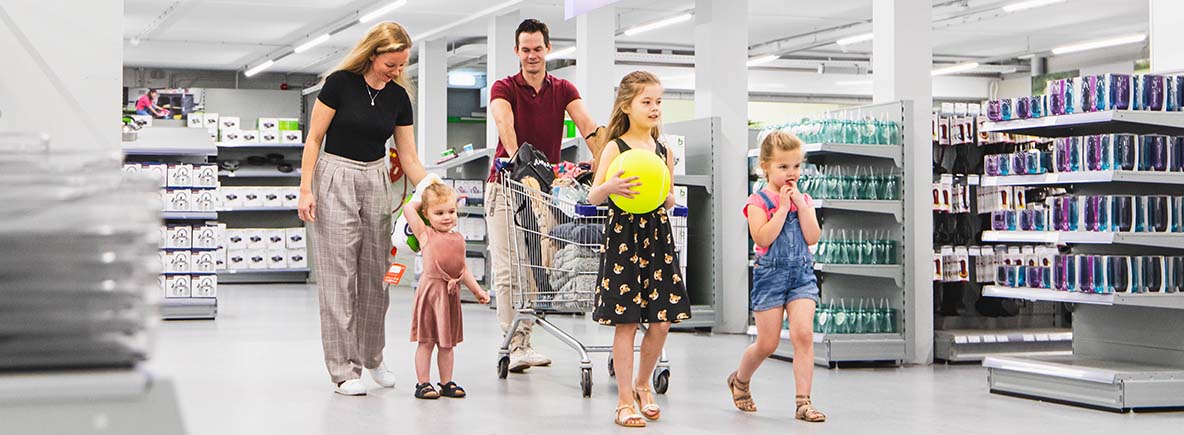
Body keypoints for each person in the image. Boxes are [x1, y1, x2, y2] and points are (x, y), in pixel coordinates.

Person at [297, 21, 428, 397]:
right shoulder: (340, 83)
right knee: (339, 277)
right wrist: (306, 189)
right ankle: (342, 370)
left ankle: (372, 355)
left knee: (378, 274)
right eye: (391, 64)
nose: (397, 71)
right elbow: (314, 139)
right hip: (335, 174)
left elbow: (409, 156)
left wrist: (433, 188)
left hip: (376, 179)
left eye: (403, 65)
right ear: (372, 53)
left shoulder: (399, 98)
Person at [486, 18, 605, 373]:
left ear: (548, 48)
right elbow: (504, 123)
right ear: (517, 51)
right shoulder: (504, 87)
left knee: (540, 265)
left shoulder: (563, 88)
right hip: (506, 186)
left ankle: (524, 339)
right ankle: (516, 344)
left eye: (538, 49)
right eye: (525, 50)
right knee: (511, 269)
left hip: (544, 190)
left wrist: (606, 158)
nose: (532, 55)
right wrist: (519, 165)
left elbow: (587, 125)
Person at [587, 71, 691, 428]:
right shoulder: (616, 147)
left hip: (657, 236)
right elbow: (593, 194)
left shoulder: (664, 151)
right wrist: (611, 184)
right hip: (623, 236)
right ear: (627, 107)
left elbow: (671, 197)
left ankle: (643, 383)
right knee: (627, 322)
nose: (654, 108)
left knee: (661, 322)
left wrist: (668, 198)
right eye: (647, 102)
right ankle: (624, 400)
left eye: (658, 102)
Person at [726, 130, 826, 423]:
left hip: (801, 276)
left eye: (796, 166)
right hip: (770, 277)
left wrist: (803, 207)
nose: (791, 173)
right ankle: (740, 381)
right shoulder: (758, 202)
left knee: (803, 336)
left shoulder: (804, 198)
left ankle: (803, 402)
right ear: (765, 166)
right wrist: (782, 209)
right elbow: (762, 236)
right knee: (767, 343)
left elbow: (812, 236)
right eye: (783, 167)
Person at [403, 179, 491, 400]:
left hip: (450, 296)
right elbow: (407, 209)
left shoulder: (459, 239)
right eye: (439, 212)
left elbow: (463, 269)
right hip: (431, 295)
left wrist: (477, 290)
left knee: (447, 343)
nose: (446, 217)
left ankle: (446, 382)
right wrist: (424, 189)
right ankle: (423, 383)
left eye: (451, 211)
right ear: (427, 214)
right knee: (427, 341)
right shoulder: (425, 235)